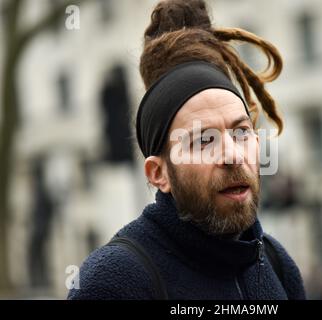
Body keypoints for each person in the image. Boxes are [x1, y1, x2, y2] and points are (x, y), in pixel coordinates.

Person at [68, 0, 306, 300]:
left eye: (241, 132)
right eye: (204, 140)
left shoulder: (276, 264)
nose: (232, 155)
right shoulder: (116, 281)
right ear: (159, 173)